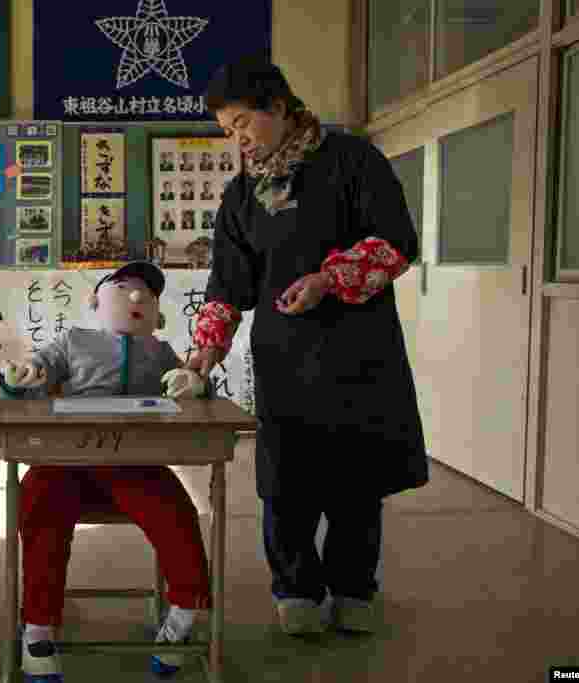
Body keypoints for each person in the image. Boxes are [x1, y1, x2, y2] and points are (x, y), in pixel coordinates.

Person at [188, 55, 428, 636]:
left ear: (278, 105)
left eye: (243, 122)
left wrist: (328, 280)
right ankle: (295, 588)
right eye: (227, 131)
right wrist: (206, 349)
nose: (237, 139)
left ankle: (353, 589)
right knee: (285, 483)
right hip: (283, 358)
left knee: (355, 482)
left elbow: (395, 242)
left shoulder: (351, 161)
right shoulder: (242, 195)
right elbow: (228, 283)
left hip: (357, 353)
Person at [0, 262, 212, 682]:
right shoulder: (74, 339)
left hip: (136, 465)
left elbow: (188, 386)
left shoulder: (161, 351)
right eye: (123, 288)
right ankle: (38, 626)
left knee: (178, 518)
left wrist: (197, 385)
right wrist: (20, 378)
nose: (136, 297)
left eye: (145, 294)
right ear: (96, 301)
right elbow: (38, 371)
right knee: (38, 506)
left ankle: (184, 615)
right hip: (66, 461)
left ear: (157, 311)